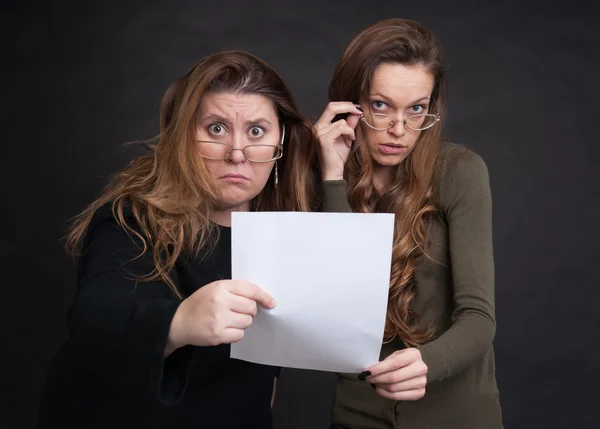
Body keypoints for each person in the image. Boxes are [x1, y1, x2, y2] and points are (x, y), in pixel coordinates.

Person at [37, 50, 316, 429]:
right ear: (185, 137)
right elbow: (93, 321)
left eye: (256, 131)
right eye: (216, 128)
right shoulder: (130, 219)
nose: (237, 154)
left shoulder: (284, 232)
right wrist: (179, 322)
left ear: (280, 142)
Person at [315, 19, 503, 428]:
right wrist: (331, 177)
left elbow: (478, 318)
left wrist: (425, 363)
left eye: (416, 109)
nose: (399, 131)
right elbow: (340, 297)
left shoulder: (460, 171)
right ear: (350, 103)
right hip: (355, 414)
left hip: (454, 415)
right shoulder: (317, 176)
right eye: (381, 106)